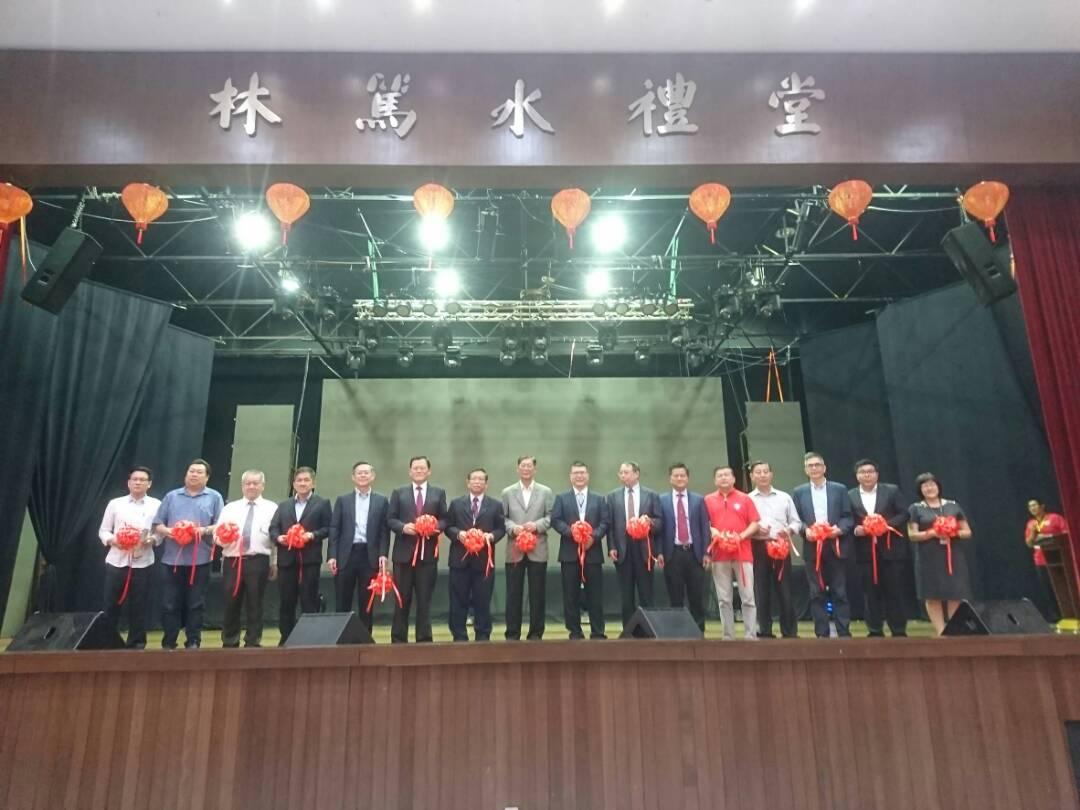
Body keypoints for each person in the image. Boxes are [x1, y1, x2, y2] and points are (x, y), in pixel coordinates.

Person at [152, 459, 224, 649]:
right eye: (191, 471)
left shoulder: (214, 497)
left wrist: (202, 530)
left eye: (199, 472)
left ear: (207, 477)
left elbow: (221, 525)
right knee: (170, 603)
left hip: (200, 560)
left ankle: (193, 641)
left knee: (196, 603)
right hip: (172, 560)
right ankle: (169, 641)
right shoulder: (171, 496)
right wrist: (172, 532)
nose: (194, 474)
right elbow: (158, 524)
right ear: (186, 474)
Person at [98, 466, 161, 649]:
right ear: (128, 482)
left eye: (142, 480)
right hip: (116, 561)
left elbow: (160, 533)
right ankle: (107, 642)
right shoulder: (115, 504)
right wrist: (113, 541)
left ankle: (136, 644)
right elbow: (103, 530)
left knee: (139, 606)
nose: (138, 482)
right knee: (110, 605)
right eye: (134, 479)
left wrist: (151, 540)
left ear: (149, 484)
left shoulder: (156, 505)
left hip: (143, 563)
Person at [792, 452, 854, 638]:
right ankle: (821, 633)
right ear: (805, 470)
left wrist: (839, 530)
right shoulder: (799, 491)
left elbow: (848, 517)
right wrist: (805, 531)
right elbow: (796, 520)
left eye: (817, 465)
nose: (814, 468)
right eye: (810, 466)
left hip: (835, 546)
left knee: (840, 591)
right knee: (816, 593)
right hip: (812, 549)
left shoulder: (839, 489)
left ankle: (844, 631)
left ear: (824, 468)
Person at [387, 456, 448, 644]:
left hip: (428, 556)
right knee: (402, 600)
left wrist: (434, 527)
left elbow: (445, 519)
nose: (419, 471)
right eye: (415, 468)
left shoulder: (438, 493)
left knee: (424, 600)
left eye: (422, 468)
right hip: (403, 556)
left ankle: (424, 639)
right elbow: (390, 519)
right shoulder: (399, 493)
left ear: (429, 471)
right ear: (410, 471)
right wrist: (403, 527)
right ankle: (398, 638)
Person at [848, 459, 910, 638]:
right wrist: (856, 529)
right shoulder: (850, 495)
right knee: (870, 593)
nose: (866, 475)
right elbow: (848, 518)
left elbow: (904, 513)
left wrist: (885, 525)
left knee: (894, 591)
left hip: (890, 550)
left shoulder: (891, 490)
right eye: (862, 472)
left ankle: (898, 629)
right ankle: (874, 629)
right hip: (865, 552)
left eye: (870, 471)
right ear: (857, 475)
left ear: (877, 474)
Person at [270, 466, 332, 644]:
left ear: (313, 483)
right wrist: (279, 537)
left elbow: (328, 528)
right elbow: (273, 528)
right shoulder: (284, 505)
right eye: (299, 480)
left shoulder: (322, 503)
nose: (302, 483)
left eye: (306, 480)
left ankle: (310, 639)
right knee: (286, 602)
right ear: (294, 484)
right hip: (287, 561)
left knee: (309, 600)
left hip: (309, 560)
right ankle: (286, 638)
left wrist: (311, 535)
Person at [216, 469, 278, 648]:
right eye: (247, 483)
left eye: (255, 483)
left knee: (255, 602)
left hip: (258, 560)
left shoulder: (272, 508)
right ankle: (229, 640)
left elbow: (275, 539)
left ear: (262, 486)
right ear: (242, 486)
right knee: (231, 602)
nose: (251, 486)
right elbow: (216, 535)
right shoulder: (230, 508)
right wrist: (223, 538)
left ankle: (253, 641)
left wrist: (274, 562)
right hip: (232, 560)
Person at [907, 472, 974, 635]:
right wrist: (931, 533)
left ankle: (954, 629)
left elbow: (967, 531)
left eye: (932, 484)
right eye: (925, 486)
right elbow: (912, 535)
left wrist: (953, 533)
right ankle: (941, 631)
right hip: (928, 557)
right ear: (920, 490)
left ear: (938, 486)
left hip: (952, 555)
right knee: (932, 594)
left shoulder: (952, 505)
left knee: (955, 592)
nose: (929, 488)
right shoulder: (915, 508)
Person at [550, 461, 610, 639]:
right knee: (570, 594)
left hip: (592, 553)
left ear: (588, 475)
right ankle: (575, 631)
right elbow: (556, 520)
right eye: (575, 473)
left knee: (595, 595)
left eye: (582, 472)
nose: (579, 476)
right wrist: (572, 533)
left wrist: (593, 537)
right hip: (569, 553)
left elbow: (605, 522)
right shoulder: (562, 498)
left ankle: (598, 631)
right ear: (570, 477)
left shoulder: (599, 499)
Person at [328, 461, 390, 634]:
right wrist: (332, 555)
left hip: (370, 555)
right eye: (359, 473)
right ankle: (340, 637)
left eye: (366, 472)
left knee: (367, 601)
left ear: (373, 476)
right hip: (345, 555)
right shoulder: (342, 500)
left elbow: (384, 531)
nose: (363, 475)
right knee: (342, 599)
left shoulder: (382, 501)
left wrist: (383, 554)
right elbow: (335, 529)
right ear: (353, 477)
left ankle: (365, 637)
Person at [445, 468, 506, 641]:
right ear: (468, 482)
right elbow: (448, 527)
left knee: (483, 600)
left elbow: (501, 529)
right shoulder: (456, 503)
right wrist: (459, 534)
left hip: (484, 562)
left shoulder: (495, 505)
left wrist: (491, 536)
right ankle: (459, 635)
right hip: (459, 561)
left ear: (486, 484)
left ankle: (483, 635)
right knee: (458, 601)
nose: (477, 482)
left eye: (481, 479)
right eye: (474, 479)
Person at [501, 455, 554, 641]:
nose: (526, 469)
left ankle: (536, 633)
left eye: (529, 466)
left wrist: (537, 525)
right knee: (513, 593)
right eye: (523, 466)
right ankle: (512, 633)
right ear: (518, 469)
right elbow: (503, 518)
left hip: (537, 549)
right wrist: (513, 528)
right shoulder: (507, 492)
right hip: (514, 549)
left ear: (535, 469)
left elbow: (550, 517)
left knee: (537, 594)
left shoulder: (545, 491)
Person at [704, 466, 760, 640]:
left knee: (748, 597)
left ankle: (750, 634)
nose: (724, 478)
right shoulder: (708, 500)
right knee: (724, 599)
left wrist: (741, 536)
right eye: (719, 476)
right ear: (715, 480)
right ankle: (728, 635)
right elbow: (704, 522)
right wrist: (715, 533)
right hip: (719, 555)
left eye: (727, 475)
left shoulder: (745, 499)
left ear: (734, 479)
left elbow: (755, 523)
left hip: (743, 554)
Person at [747, 460, 802, 639]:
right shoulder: (748, 499)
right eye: (758, 472)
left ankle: (789, 631)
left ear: (771, 474)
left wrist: (790, 530)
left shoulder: (784, 497)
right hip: (758, 546)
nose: (762, 475)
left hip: (781, 546)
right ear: (752, 476)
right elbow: (744, 524)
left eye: (765, 471)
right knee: (760, 590)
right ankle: (765, 630)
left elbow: (796, 521)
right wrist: (755, 529)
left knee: (785, 589)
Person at [606, 461, 664, 630]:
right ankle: (629, 632)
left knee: (646, 593)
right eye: (621, 473)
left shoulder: (651, 495)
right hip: (623, 550)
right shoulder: (612, 496)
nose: (623, 475)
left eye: (626, 472)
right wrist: (611, 547)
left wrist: (649, 522)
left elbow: (660, 522)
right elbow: (610, 526)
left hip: (644, 550)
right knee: (626, 596)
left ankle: (649, 630)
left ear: (636, 474)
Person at [658, 463, 710, 632]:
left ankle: (699, 630)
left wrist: (706, 553)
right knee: (675, 596)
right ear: (670, 478)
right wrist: (659, 552)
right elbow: (659, 529)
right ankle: (677, 631)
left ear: (687, 478)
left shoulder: (698, 499)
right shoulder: (662, 500)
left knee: (696, 596)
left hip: (694, 553)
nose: (679, 478)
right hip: (672, 553)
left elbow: (704, 527)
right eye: (676, 476)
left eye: (683, 476)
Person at [1024, 498, 1066, 622]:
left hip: (1058, 559)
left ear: (1042, 506)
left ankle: (1069, 613)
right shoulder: (1031, 523)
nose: (1032, 508)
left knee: (1062, 588)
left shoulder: (1054, 518)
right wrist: (1033, 533)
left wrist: (1046, 536)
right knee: (1048, 590)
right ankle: (1055, 618)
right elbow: (1029, 543)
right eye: (1030, 506)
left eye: (1034, 505)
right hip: (1040, 560)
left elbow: (1065, 534)